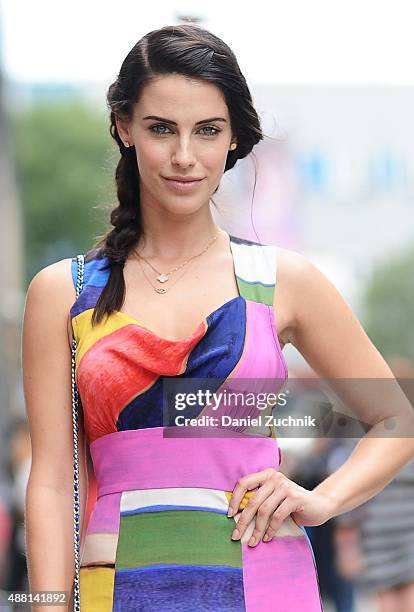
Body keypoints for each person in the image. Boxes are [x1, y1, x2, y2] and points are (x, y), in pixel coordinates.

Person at [22, 23, 414, 612]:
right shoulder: (64, 292)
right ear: (124, 127)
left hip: (265, 581)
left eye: (208, 131)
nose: (185, 156)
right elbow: (51, 484)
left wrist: (321, 500)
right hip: (116, 585)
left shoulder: (285, 281)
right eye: (161, 129)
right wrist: (45, 605)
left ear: (233, 139)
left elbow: (395, 418)